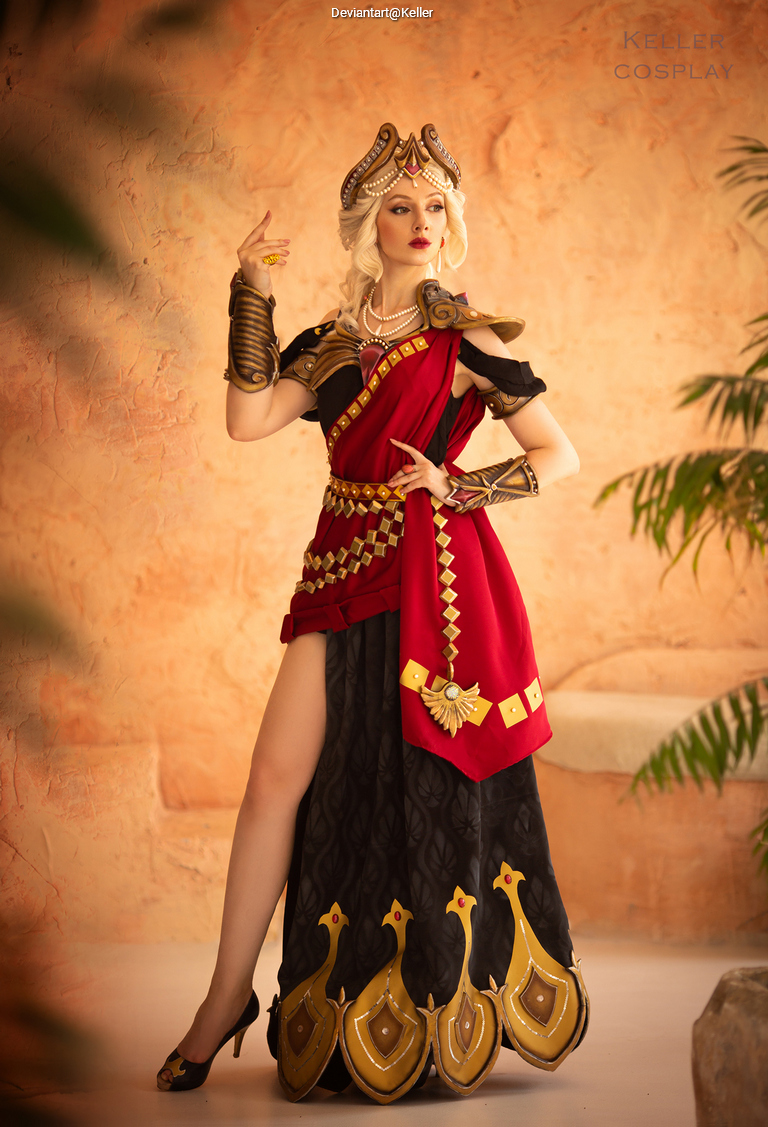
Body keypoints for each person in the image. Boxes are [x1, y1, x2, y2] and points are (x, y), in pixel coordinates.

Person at [157, 122, 589, 1104]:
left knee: (420, 785)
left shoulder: (467, 337)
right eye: (400, 206)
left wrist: (463, 484)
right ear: (368, 224)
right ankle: (226, 993)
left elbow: (560, 453)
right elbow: (247, 417)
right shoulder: (332, 341)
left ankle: (435, 999)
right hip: (338, 564)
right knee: (275, 777)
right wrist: (251, 291)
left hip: (437, 574)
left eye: (435, 206)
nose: (420, 223)